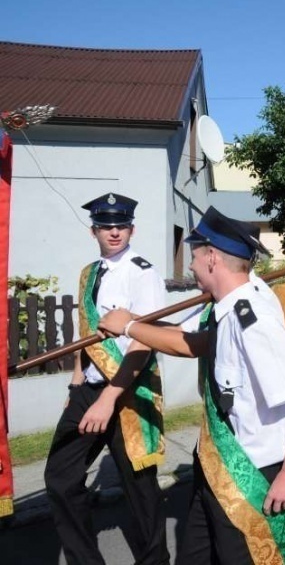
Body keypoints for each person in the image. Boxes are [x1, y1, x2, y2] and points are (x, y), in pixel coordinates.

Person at [99, 206, 285, 564]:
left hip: (252, 473)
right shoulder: (228, 303)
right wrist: (129, 326)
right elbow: (191, 343)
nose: (189, 266)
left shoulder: (251, 319)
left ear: (212, 259)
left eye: (193, 257)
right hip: (216, 466)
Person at [44, 193, 170, 565]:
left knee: (140, 487)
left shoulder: (142, 272)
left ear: (132, 228)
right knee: (60, 478)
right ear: (93, 231)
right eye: (105, 226)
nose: (114, 232)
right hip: (90, 389)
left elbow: (144, 343)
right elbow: (87, 336)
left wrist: (108, 398)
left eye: (121, 225)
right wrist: (77, 383)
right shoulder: (89, 273)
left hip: (130, 390)